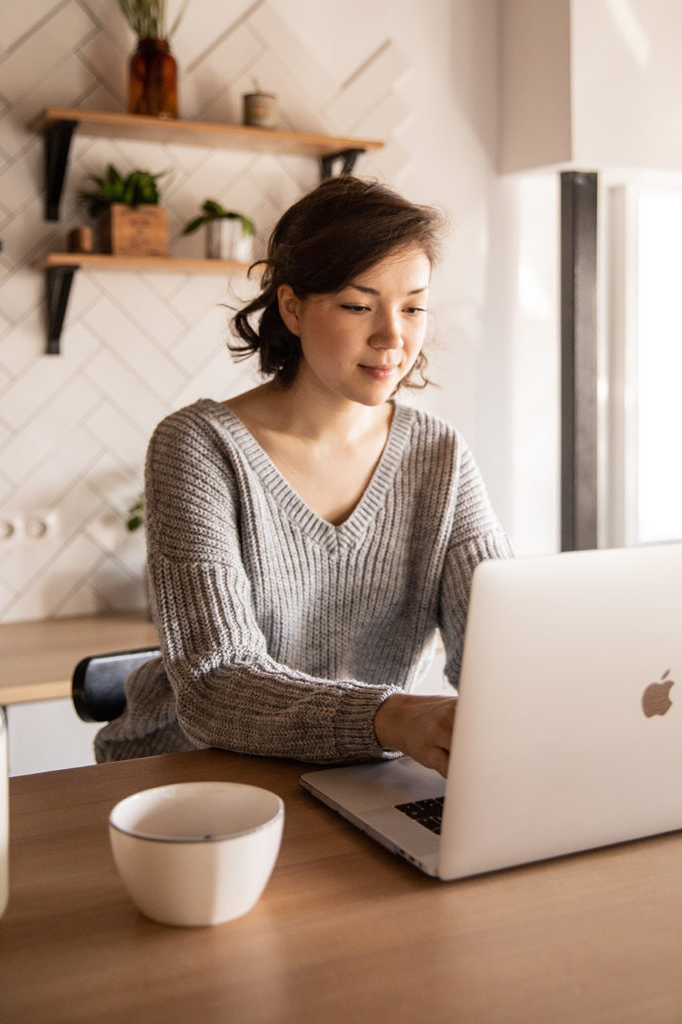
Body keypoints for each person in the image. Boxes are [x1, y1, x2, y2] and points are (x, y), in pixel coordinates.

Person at [95, 176, 513, 776]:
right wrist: (388, 716)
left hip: (352, 772)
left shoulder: (438, 455)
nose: (393, 337)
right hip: (187, 775)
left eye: (414, 307)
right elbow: (216, 683)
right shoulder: (199, 447)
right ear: (292, 308)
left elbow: (500, 643)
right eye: (357, 305)